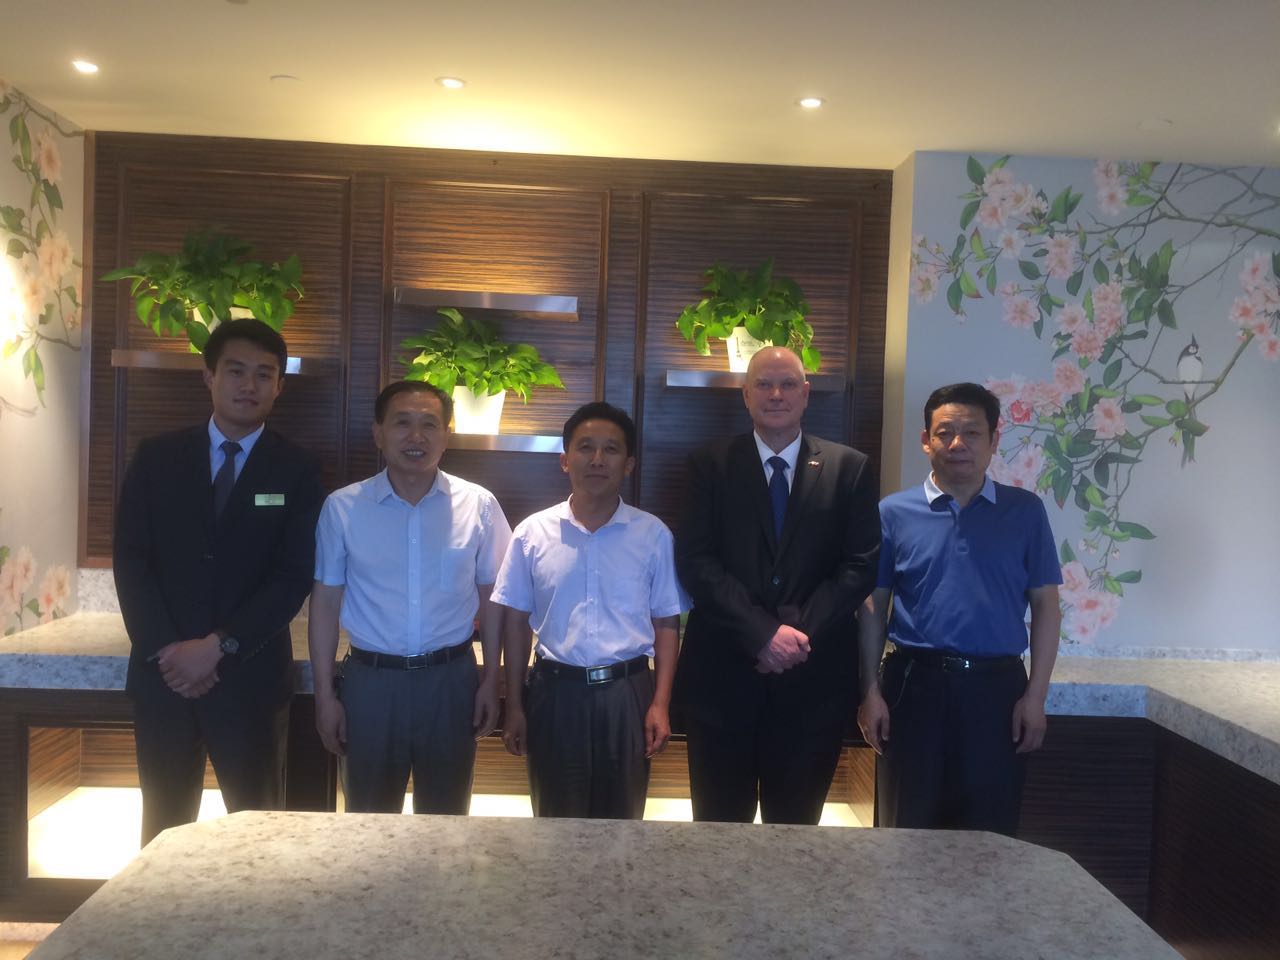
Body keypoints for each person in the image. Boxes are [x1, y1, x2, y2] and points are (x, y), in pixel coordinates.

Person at [114, 318, 324, 845]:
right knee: (163, 828)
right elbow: (132, 561)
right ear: (209, 376)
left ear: (279, 385)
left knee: (258, 830)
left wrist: (220, 646)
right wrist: (168, 650)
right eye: (236, 371)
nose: (249, 385)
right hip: (165, 680)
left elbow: (292, 575)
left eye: (264, 374)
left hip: (249, 680)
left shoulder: (297, 469)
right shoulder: (156, 457)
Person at [674, 346, 880, 825]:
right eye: (764, 384)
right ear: (746, 395)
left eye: (787, 384)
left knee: (796, 834)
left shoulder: (849, 468)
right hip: (722, 681)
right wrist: (761, 633)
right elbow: (696, 561)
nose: (776, 394)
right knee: (719, 832)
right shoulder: (709, 465)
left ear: (805, 394)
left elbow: (860, 566)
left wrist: (794, 636)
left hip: (813, 683)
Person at [857, 382, 1062, 835]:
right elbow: (874, 606)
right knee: (904, 827)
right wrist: (870, 691)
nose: (957, 444)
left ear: (993, 440)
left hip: (998, 691)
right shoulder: (893, 512)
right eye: (945, 432)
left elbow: (1047, 607)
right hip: (913, 685)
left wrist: (1036, 697)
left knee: (989, 833)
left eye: (971, 433)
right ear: (925, 440)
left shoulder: (1025, 512)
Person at [308, 380, 511, 815]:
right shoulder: (343, 508)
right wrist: (324, 696)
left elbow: (493, 599)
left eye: (429, 424)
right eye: (402, 423)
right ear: (378, 433)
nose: (416, 436)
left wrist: (491, 680)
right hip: (370, 684)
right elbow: (324, 604)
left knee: (446, 819)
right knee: (368, 819)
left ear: (447, 436)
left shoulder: (479, 505)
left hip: (451, 681)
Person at [494, 402, 686, 819]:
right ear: (565, 460)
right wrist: (515, 705)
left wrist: (660, 703)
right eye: (585, 447)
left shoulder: (652, 535)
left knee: (623, 820)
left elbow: (666, 624)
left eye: (611, 449)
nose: (597, 459)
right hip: (554, 693)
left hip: (627, 694)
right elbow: (516, 624)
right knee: (555, 820)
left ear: (629, 464)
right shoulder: (532, 533)